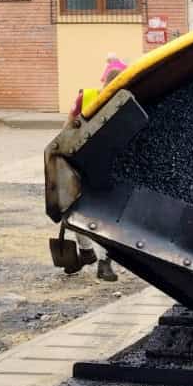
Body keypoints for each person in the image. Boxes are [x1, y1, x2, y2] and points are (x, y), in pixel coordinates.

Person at [67, 55, 128, 282]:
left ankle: (95, 256)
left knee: (79, 206)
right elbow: (69, 126)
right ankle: (91, 254)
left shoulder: (121, 99)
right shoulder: (91, 97)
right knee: (92, 209)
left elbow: (68, 126)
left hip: (96, 160)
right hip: (92, 160)